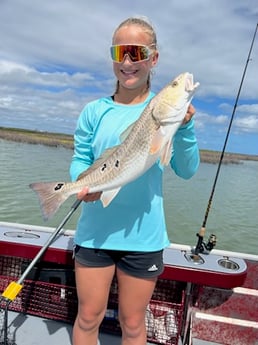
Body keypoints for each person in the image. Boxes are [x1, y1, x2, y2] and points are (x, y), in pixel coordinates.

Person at [70, 16, 200, 345]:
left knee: (132, 323)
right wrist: (78, 183)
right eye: (119, 52)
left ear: (153, 58)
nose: (127, 62)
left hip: (144, 238)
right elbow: (82, 158)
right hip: (95, 233)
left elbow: (186, 170)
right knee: (87, 317)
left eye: (137, 52)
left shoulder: (167, 115)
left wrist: (183, 129)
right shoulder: (93, 111)